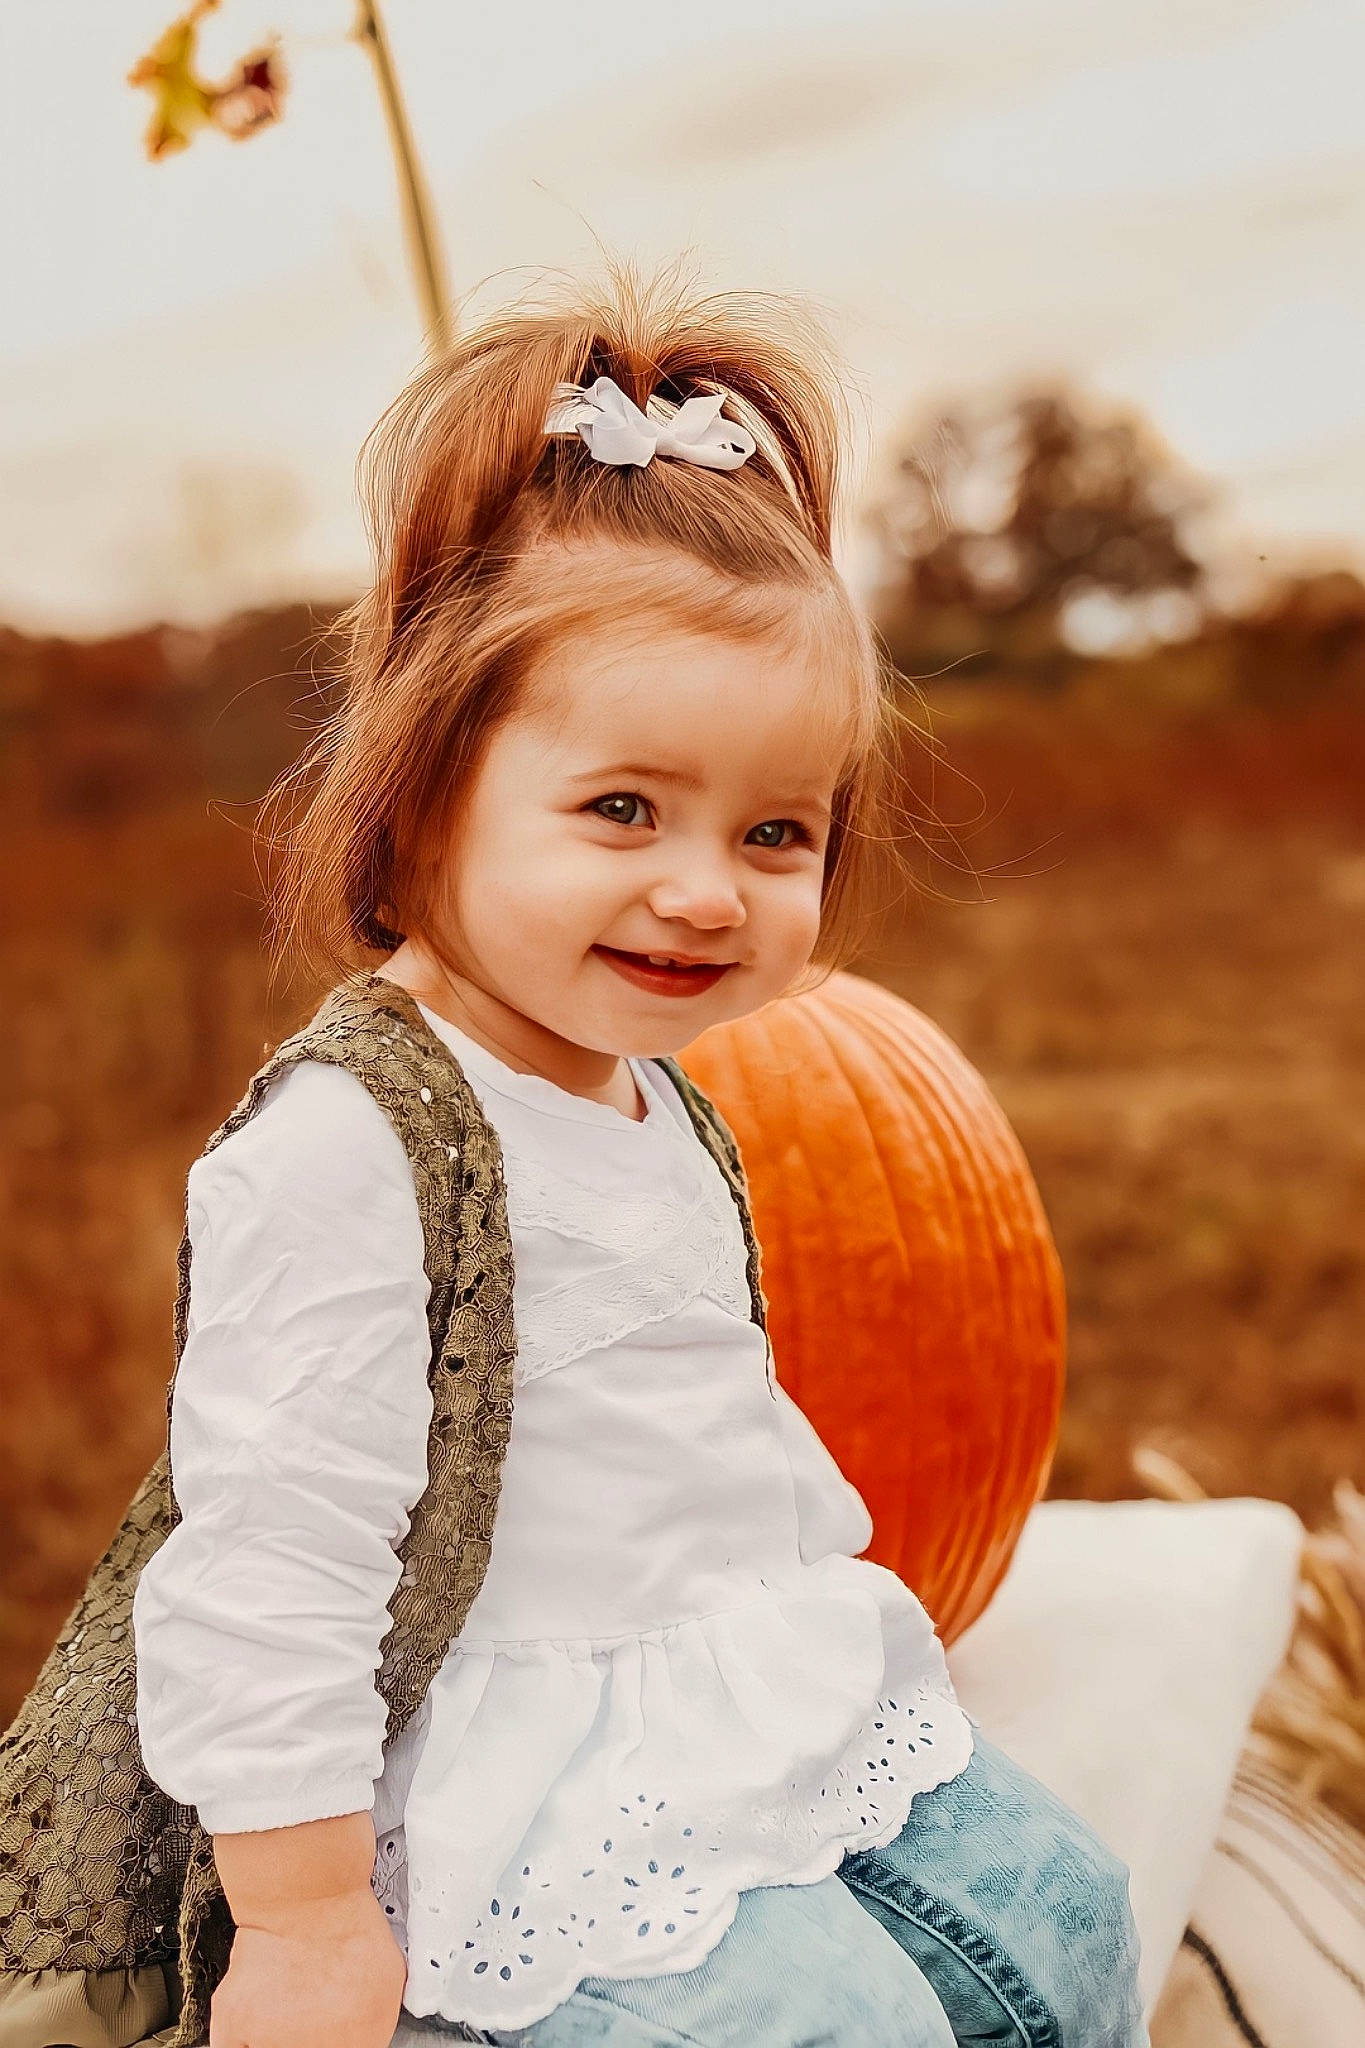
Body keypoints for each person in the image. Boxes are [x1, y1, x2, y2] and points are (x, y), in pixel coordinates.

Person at [0, 270, 1147, 2048]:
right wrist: (303, 1925)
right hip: (509, 1779)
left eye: (775, 832)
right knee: (834, 2030)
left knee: (1067, 1918)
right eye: (623, 808)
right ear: (422, 796)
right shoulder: (354, 1144)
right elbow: (269, 1574)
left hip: (721, 1683)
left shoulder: (653, 1091)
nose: (706, 890)